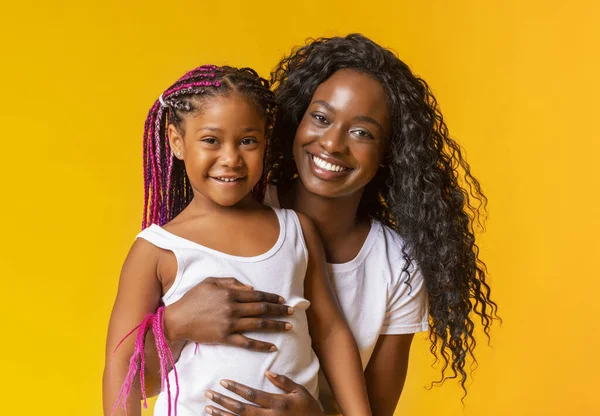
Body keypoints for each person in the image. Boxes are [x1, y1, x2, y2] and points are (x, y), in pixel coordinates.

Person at [144, 34, 499, 416]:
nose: (332, 143)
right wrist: (175, 325)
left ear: (387, 152)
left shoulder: (399, 266)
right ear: (297, 121)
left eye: (362, 132)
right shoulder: (228, 202)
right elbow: (143, 384)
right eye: (320, 117)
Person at [102, 65, 373, 416]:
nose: (230, 159)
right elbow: (121, 365)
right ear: (176, 142)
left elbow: (331, 331)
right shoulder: (158, 249)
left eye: (248, 141)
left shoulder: (297, 231)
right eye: (211, 140)